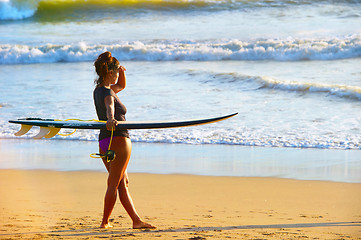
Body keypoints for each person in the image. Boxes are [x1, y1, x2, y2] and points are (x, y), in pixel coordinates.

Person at [93, 51, 155, 229]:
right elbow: (109, 107)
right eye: (117, 72)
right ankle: (104, 222)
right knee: (114, 183)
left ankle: (136, 220)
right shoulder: (108, 94)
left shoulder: (100, 90)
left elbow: (121, 85)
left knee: (121, 182)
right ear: (109, 73)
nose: (119, 75)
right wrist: (111, 119)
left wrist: (122, 71)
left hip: (104, 142)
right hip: (119, 140)